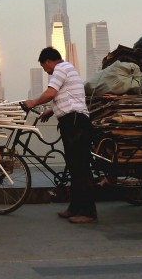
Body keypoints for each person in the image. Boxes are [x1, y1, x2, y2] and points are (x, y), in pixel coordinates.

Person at [21, 47, 97, 224]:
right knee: (73, 167)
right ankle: (75, 208)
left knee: (80, 168)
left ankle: (89, 212)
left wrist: (33, 102)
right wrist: (50, 111)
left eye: (44, 67)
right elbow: (67, 97)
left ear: (48, 61)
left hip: (75, 123)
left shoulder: (60, 69)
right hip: (72, 122)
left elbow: (51, 92)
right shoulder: (68, 69)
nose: (46, 71)